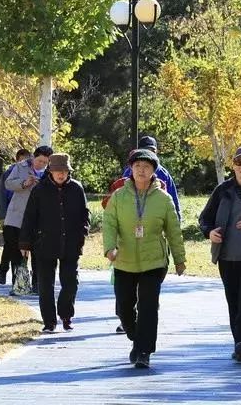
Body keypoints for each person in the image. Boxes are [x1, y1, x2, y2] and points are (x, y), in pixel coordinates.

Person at [103, 149, 186, 369]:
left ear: (153, 171)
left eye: (146, 167)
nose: (141, 170)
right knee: (124, 307)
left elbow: (173, 231)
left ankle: (144, 351)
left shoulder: (163, 199)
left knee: (149, 306)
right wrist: (110, 248)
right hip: (124, 260)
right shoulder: (119, 197)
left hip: (154, 261)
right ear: (131, 169)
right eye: (137, 166)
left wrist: (179, 258)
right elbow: (109, 224)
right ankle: (136, 337)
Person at [198, 145, 241, 363]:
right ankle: (239, 342)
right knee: (233, 301)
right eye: (239, 162)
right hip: (226, 257)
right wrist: (210, 233)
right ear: (233, 165)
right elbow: (204, 219)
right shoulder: (222, 190)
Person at [19, 153, 89, 333]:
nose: (61, 174)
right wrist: (25, 243)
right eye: (57, 170)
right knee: (45, 284)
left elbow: (85, 214)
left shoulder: (76, 189)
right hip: (44, 243)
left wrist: (83, 232)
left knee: (70, 282)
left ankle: (66, 316)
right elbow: (29, 217)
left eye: (64, 171)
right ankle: (49, 321)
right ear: (50, 171)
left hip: (71, 242)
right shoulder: (39, 190)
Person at [4, 145, 53, 295]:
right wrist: (24, 183)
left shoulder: (51, 172)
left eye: (45, 162)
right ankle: (18, 284)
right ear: (33, 157)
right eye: (39, 161)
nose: (42, 165)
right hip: (17, 217)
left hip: (38, 219)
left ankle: (37, 284)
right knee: (17, 253)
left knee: (38, 253)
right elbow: (8, 183)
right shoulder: (20, 167)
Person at [121, 136, 181, 220]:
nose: (149, 154)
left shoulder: (163, 174)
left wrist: (177, 221)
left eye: (153, 151)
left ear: (156, 152)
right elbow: (120, 196)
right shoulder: (130, 171)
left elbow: (173, 199)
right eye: (146, 151)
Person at [0, 148, 31, 285]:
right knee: (10, 246)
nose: (23, 162)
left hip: (24, 217)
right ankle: (3, 270)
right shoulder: (8, 174)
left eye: (26, 159)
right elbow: (1, 196)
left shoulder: (31, 173)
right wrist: (1, 216)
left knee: (21, 248)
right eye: (21, 159)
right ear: (17, 160)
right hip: (9, 216)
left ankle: (17, 280)